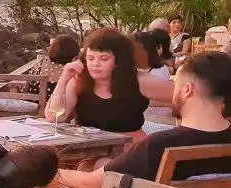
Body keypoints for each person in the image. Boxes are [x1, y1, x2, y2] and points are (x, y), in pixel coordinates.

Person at [55, 51, 231, 188]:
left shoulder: (160, 145)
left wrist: (52, 172)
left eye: (176, 84)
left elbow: (89, 184)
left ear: (187, 90)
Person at [45, 28, 173, 135]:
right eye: (90, 58)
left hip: (128, 148)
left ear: (119, 60)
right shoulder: (79, 81)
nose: (96, 64)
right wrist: (64, 79)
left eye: (104, 58)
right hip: (89, 148)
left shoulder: (138, 80)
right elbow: (54, 117)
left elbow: (183, 95)